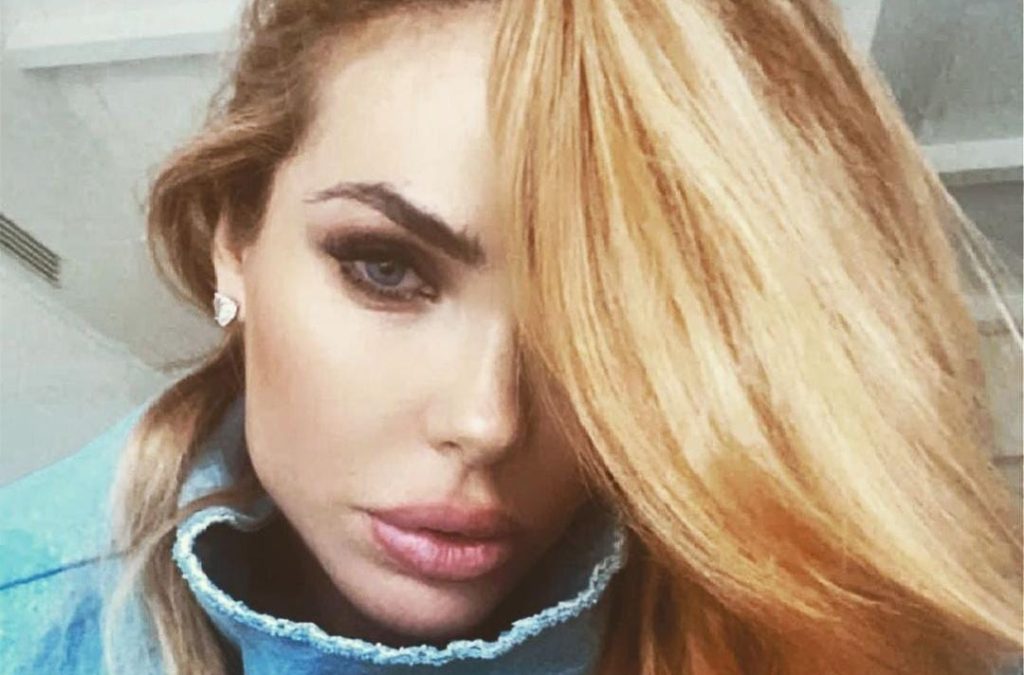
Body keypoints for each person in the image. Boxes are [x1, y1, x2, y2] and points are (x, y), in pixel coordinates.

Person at [1, 0, 1021, 673]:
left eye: (604, 319)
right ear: (234, 239)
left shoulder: (811, 629)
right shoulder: (27, 616)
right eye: (385, 268)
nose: (487, 420)